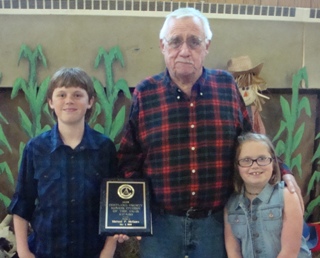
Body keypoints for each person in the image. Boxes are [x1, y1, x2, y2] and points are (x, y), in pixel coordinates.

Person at [117, 7, 301, 258]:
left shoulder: (226, 86)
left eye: (194, 42)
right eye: (175, 41)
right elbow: (129, 156)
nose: (184, 50)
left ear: (207, 46)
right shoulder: (145, 92)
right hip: (161, 227)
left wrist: (284, 171)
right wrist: (131, 209)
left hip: (216, 225)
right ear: (163, 46)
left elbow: (250, 142)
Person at [8, 67, 118, 258]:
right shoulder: (35, 148)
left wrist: (108, 251)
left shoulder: (105, 148)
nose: (69, 100)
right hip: (45, 251)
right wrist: (24, 251)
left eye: (77, 94)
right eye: (61, 95)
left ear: (90, 101)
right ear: (50, 102)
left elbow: (115, 204)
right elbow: (22, 203)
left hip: (93, 251)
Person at [224, 132, 311, 258]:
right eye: (246, 160)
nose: (255, 166)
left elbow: (290, 252)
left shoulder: (287, 197)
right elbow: (234, 252)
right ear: (237, 166)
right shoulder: (231, 205)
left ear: (273, 163)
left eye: (262, 159)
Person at [227, 55, 269, 134]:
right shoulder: (228, 108)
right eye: (242, 88)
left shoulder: (252, 108)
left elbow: (261, 131)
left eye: (247, 87)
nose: (245, 92)